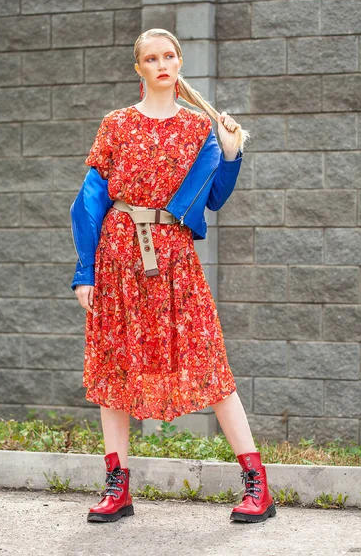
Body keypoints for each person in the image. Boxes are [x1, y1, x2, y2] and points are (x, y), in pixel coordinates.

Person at [70, 28, 276, 525]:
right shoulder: (116, 124)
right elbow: (91, 200)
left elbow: (213, 198)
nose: (162, 63)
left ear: (179, 62)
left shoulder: (198, 128)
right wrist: (84, 270)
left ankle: (257, 486)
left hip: (175, 260)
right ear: (138, 68)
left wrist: (230, 152)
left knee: (209, 363)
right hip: (117, 257)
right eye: (151, 58)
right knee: (115, 369)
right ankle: (117, 488)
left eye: (169, 55)